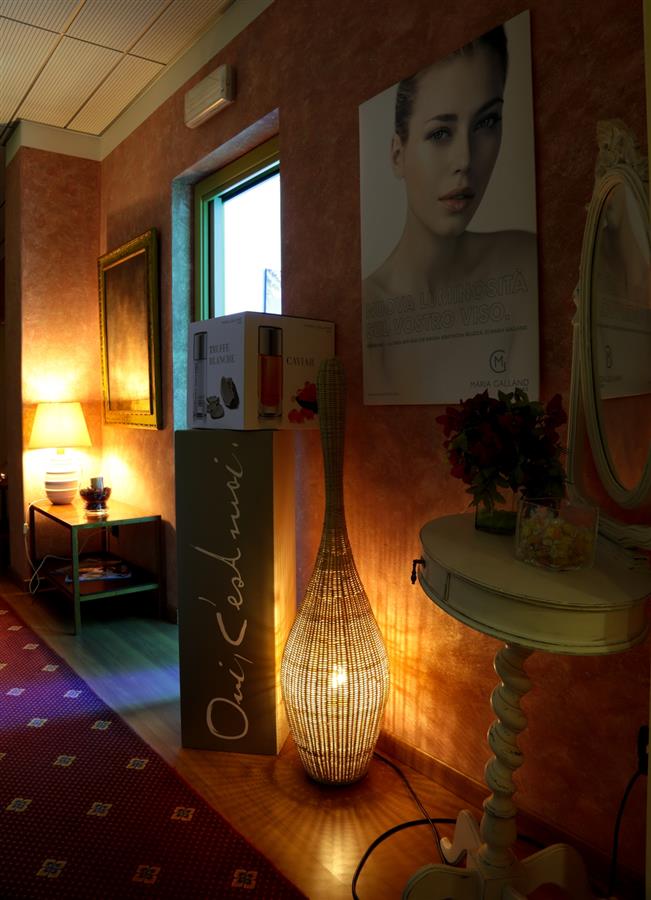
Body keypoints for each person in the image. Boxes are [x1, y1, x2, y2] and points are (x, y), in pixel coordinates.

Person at [361, 23, 538, 404]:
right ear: (397, 154)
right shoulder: (369, 311)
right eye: (441, 133)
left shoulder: (524, 260)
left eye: (486, 123)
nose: (465, 160)